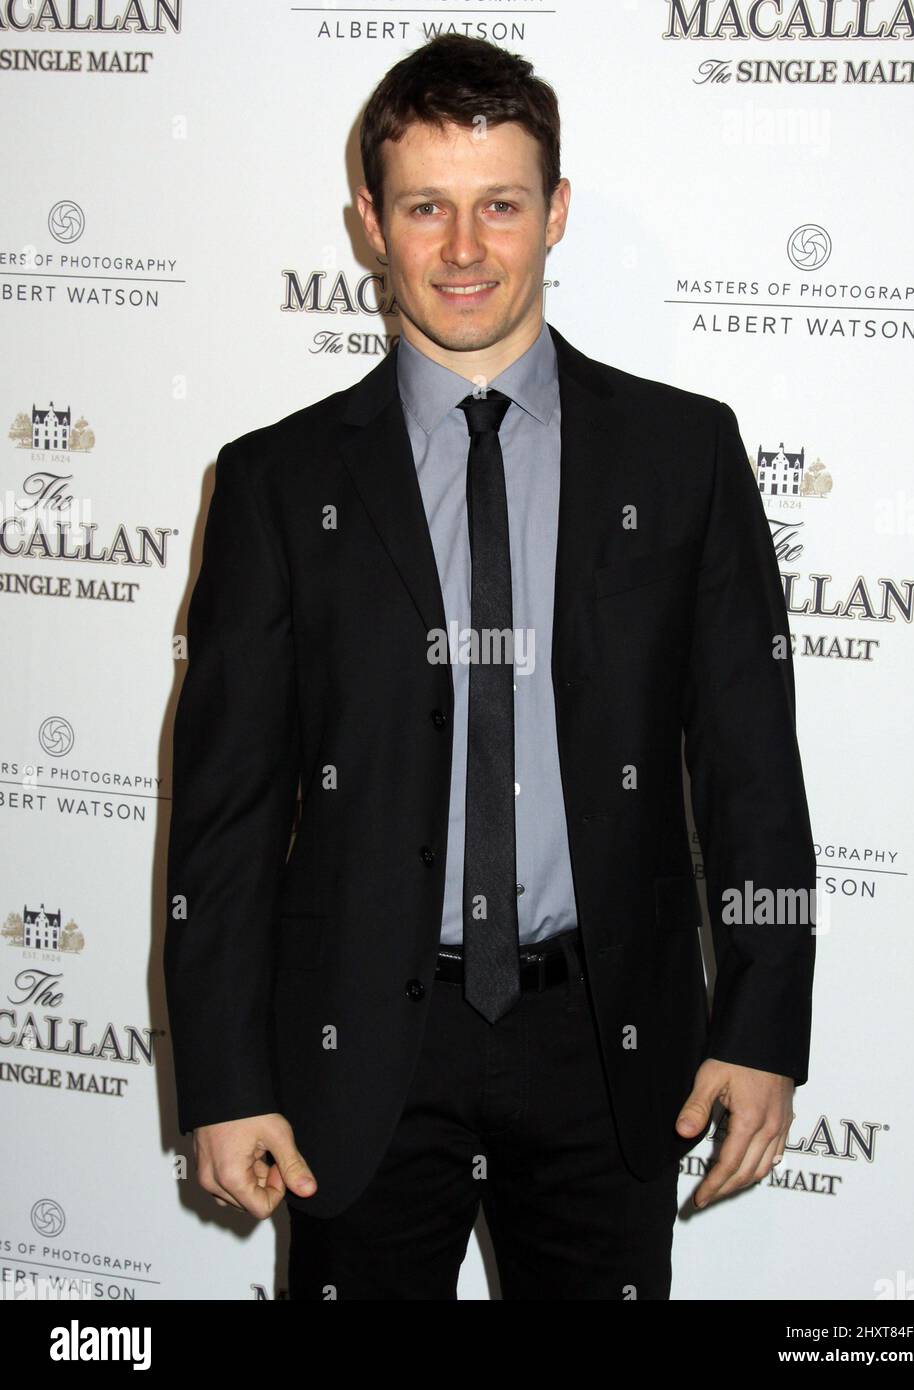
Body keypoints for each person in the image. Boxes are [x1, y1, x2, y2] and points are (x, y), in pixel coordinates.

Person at [163, 33, 817, 1301]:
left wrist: (762, 1023)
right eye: (426, 208)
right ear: (370, 220)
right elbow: (226, 817)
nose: (465, 251)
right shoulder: (276, 483)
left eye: (500, 206)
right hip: (362, 1044)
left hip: (605, 1040)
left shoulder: (684, 457)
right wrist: (228, 1082)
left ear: (555, 211)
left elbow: (750, 766)